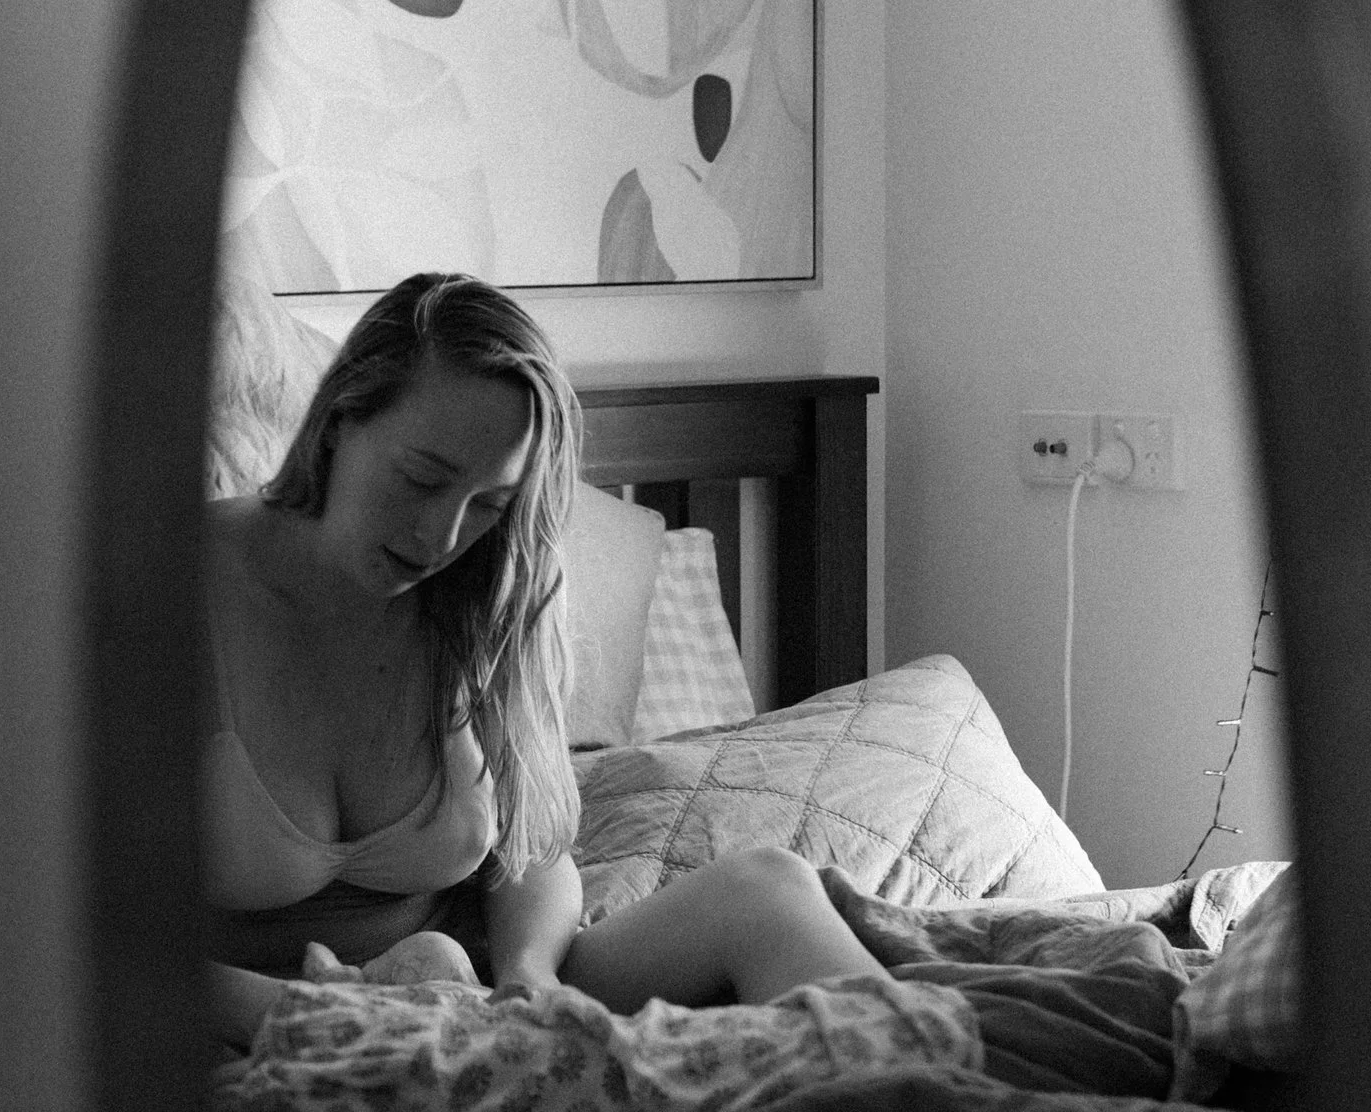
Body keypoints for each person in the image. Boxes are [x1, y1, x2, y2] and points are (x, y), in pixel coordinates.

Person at [204, 271, 889, 1048]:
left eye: (488, 505)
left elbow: (528, 850)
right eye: (421, 478)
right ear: (338, 421)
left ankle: (915, 1107)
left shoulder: (489, 589)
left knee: (769, 888)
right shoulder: (168, 592)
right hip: (249, 1022)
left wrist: (529, 977)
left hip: (468, 995)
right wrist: (315, 1019)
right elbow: (79, 940)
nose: (439, 538)